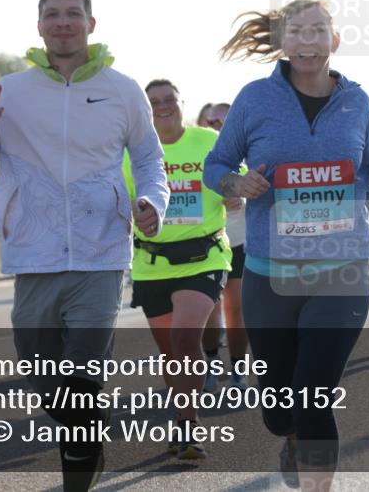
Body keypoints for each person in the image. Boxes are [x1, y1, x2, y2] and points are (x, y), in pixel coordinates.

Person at [0, 0, 169, 491]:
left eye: (74, 13)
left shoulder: (123, 89)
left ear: (91, 25)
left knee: (82, 376)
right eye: (53, 14)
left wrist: (151, 203)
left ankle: (77, 473)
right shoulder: (9, 91)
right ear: (39, 26)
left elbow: (148, 159)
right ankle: (88, 431)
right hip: (34, 254)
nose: (63, 22)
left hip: (102, 252)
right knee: (46, 382)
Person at [204, 0, 369, 489]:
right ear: (282, 42)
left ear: (334, 41)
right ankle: (289, 436)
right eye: (296, 31)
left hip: (343, 269)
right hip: (269, 271)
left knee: (314, 395)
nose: (308, 40)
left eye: (318, 30)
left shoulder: (356, 101)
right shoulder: (255, 99)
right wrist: (237, 185)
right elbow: (217, 167)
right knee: (280, 409)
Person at [124, 82, 232, 460]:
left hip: (204, 256)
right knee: (171, 351)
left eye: (169, 100)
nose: (163, 107)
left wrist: (235, 192)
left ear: (182, 104)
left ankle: (188, 425)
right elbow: (114, 198)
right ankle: (182, 415)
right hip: (152, 263)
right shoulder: (133, 149)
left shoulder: (210, 141)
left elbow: (235, 178)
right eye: (153, 102)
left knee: (186, 339)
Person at [196, 102, 250, 392]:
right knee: (209, 312)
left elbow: (261, 193)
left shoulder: (245, 155)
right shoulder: (196, 157)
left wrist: (243, 199)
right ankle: (212, 362)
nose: (218, 124)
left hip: (240, 242)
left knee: (236, 309)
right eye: (213, 119)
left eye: (224, 119)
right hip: (208, 244)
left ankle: (239, 368)